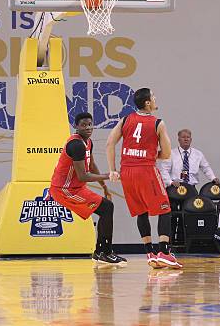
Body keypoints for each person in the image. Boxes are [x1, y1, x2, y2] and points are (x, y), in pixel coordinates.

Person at [106, 88, 182, 269]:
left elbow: (110, 143)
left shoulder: (125, 120)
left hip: (126, 172)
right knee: (164, 210)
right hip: (146, 170)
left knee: (141, 211)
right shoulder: (158, 123)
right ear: (147, 103)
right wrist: (148, 155)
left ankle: (150, 253)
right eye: (153, 97)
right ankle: (164, 252)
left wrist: (112, 170)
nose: (156, 99)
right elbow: (166, 154)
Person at [48, 112, 125, 265]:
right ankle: (104, 252)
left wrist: (104, 187)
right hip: (64, 189)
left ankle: (101, 252)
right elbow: (83, 176)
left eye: (90, 124)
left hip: (76, 187)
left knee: (107, 208)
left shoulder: (88, 142)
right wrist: (108, 175)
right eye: (83, 125)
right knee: (106, 208)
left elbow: (91, 165)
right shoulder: (76, 145)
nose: (88, 127)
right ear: (76, 127)